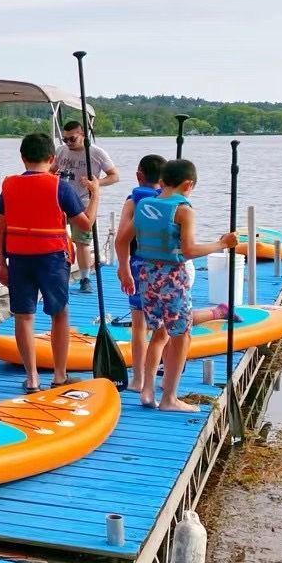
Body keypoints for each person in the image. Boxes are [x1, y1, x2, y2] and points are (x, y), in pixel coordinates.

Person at [121, 158, 238, 412]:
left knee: (158, 332)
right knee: (181, 336)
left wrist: (123, 269)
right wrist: (222, 244)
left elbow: (122, 240)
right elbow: (189, 250)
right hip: (173, 278)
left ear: (162, 181)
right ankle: (169, 399)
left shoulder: (143, 205)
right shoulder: (183, 210)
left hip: (146, 275)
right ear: (188, 185)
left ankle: (147, 389)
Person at [0, 132, 100, 392]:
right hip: (51, 258)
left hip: (18, 257)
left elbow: (0, 228)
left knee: (23, 316)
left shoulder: (9, 185)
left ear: (22, 157)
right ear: (52, 159)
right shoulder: (60, 186)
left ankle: (32, 378)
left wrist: (0, 263)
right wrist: (95, 194)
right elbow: (86, 224)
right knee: (59, 313)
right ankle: (59, 376)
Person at [114, 153, 165, 395]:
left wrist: (123, 266)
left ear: (139, 175)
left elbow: (122, 237)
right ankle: (165, 375)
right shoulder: (172, 202)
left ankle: (138, 379)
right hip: (164, 268)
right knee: (165, 326)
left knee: (139, 326)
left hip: (138, 265)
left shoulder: (133, 202)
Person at [53, 119, 119, 293]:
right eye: (65, 139)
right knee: (56, 238)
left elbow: (114, 176)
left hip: (82, 201)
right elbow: (51, 169)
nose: (68, 143)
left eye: (72, 139)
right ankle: (58, 273)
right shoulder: (61, 151)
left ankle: (85, 278)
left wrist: (96, 184)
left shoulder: (96, 153)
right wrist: (53, 176)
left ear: (82, 135)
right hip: (59, 200)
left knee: (82, 241)